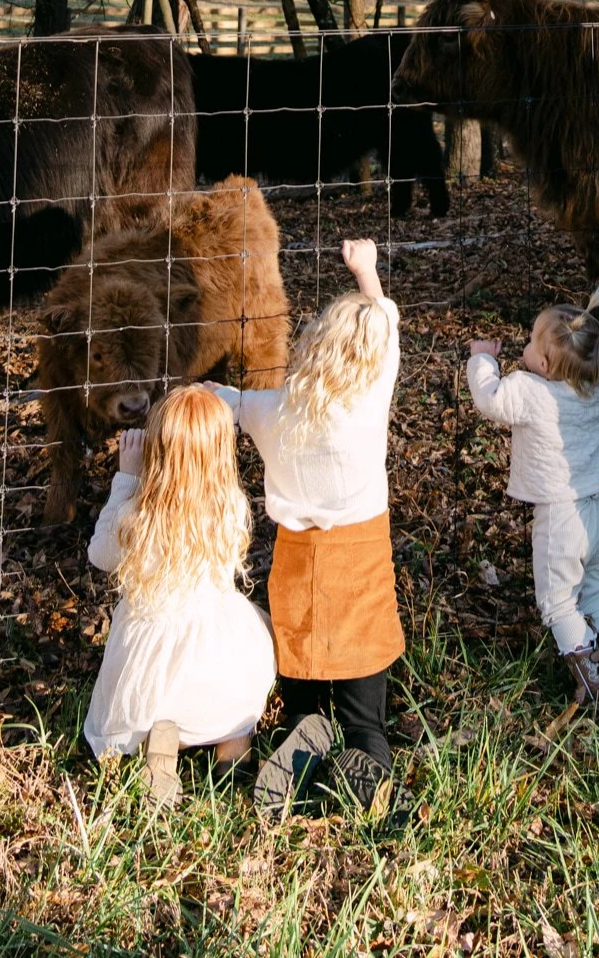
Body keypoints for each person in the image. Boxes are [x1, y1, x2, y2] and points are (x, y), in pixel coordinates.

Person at [210, 237, 405, 817]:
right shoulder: (370, 399)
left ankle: (303, 731)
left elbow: (231, 402)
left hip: (296, 562)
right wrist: (365, 270)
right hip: (360, 561)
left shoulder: (278, 411)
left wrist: (190, 392)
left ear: (314, 345)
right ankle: (364, 758)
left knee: (301, 680)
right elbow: (386, 322)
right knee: (364, 711)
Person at [83, 384, 277, 810]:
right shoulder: (229, 508)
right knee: (242, 676)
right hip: (220, 670)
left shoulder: (138, 519)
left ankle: (163, 744)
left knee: (159, 705)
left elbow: (99, 555)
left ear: (156, 449)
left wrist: (127, 479)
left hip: (153, 677)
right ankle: (233, 744)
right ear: (220, 453)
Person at [466, 301, 599, 707]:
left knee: (557, 602)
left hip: (559, 520)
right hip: (596, 510)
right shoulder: (597, 385)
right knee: (597, 588)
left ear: (542, 362)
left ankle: (596, 683)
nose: (523, 347)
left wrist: (482, 358)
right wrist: (585, 351)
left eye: (529, 342)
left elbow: (489, 398)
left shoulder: (530, 392)